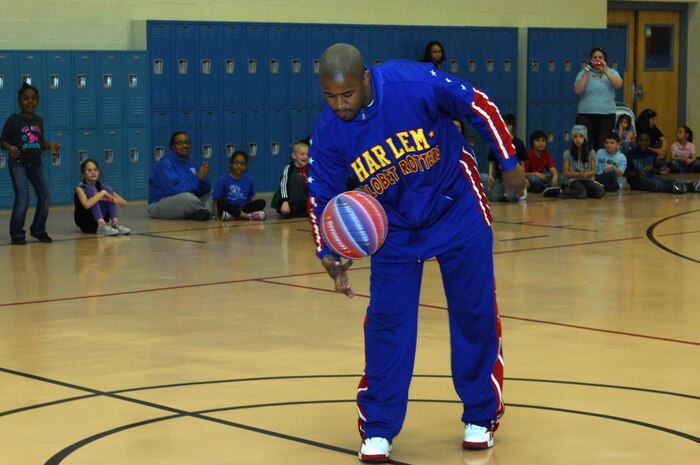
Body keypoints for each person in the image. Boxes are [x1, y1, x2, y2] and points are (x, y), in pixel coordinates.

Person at [308, 43, 527, 462]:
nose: (340, 105)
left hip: (455, 205)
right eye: (331, 97)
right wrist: (329, 252)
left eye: (347, 94)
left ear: (366, 78)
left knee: (474, 311)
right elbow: (322, 196)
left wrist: (509, 159)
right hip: (393, 227)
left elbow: (477, 103)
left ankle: (480, 416)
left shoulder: (412, 82)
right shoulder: (329, 130)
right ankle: (378, 428)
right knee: (388, 323)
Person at [1, 83, 61, 245]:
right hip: (18, 163)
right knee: (23, 199)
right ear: (19, 100)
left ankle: (38, 229)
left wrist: (50, 146)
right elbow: (2, 141)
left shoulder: (38, 120)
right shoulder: (14, 120)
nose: (30, 102)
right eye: (26, 98)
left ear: (38, 101)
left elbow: (39, 142)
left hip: (36, 163)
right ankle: (17, 233)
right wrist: (10, 148)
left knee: (46, 196)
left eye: (34, 99)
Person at [148, 131, 212, 220]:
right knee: (187, 199)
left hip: (188, 201)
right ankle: (207, 212)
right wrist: (197, 178)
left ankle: (199, 212)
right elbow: (173, 190)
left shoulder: (191, 162)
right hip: (161, 203)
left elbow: (203, 190)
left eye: (187, 142)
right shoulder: (166, 163)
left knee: (213, 194)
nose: (184, 146)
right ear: (172, 147)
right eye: (179, 143)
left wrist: (202, 178)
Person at [573, 47, 623, 150]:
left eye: (600, 57)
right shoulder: (583, 73)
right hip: (585, 115)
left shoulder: (612, 72)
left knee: (602, 146)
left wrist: (605, 71)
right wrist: (586, 73)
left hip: (606, 116)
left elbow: (618, 85)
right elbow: (578, 90)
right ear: (590, 60)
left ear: (605, 59)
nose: (597, 59)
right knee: (583, 146)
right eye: (594, 57)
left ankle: (599, 166)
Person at [626, 131, 700, 194]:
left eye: (646, 141)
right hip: (636, 181)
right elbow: (625, 174)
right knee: (655, 183)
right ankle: (674, 188)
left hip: (650, 176)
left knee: (665, 180)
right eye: (641, 141)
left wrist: (660, 170)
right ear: (636, 141)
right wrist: (636, 173)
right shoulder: (630, 154)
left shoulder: (650, 153)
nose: (643, 143)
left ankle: (691, 186)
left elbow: (655, 170)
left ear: (649, 142)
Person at [74, 159, 130, 236]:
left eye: (95, 170)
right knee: (92, 189)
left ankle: (115, 223)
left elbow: (124, 203)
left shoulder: (101, 186)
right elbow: (86, 205)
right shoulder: (80, 188)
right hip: (87, 222)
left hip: (104, 221)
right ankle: (101, 224)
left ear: (99, 172)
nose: (93, 172)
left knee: (107, 188)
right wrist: (102, 194)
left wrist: (109, 198)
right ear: (83, 174)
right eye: (89, 170)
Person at [550, 125, 604, 199]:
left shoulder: (591, 152)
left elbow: (593, 171)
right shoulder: (567, 153)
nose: (578, 139)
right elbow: (565, 173)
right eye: (575, 137)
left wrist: (585, 174)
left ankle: (582, 191)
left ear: (585, 138)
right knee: (582, 194)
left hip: (587, 179)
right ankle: (561, 191)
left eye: (581, 136)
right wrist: (578, 174)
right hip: (574, 180)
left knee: (600, 191)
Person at [212, 150, 266, 221]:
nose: (239, 166)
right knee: (221, 203)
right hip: (228, 208)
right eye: (236, 162)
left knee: (262, 202)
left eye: (242, 163)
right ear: (230, 164)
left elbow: (250, 198)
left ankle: (234, 216)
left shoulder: (249, 179)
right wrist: (216, 216)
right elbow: (215, 201)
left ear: (246, 166)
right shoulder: (224, 179)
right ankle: (246, 216)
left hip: (242, 208)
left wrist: (250, 208)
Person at [485, 113, 528, 201]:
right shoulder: (496, 143)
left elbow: (522, 163)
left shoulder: (518, 143)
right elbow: (492, 162)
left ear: (510, 127)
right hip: (500, 177)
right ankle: (501, 191)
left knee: (511, 198)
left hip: (513, 178)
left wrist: (522, 178)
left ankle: (516, 190)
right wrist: (490, 175)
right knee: (494, 198)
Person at [272, 140, 310, 218]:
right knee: (297, 177)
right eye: (302, 154)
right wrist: (285, 201)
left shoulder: (310, 169)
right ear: (294, 155)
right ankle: (290, 209)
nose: (305, 157)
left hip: (301, 198)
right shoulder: (289, 168)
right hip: (287, 199)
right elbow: (283, 186)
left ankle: (299, 211)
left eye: (307, 154)